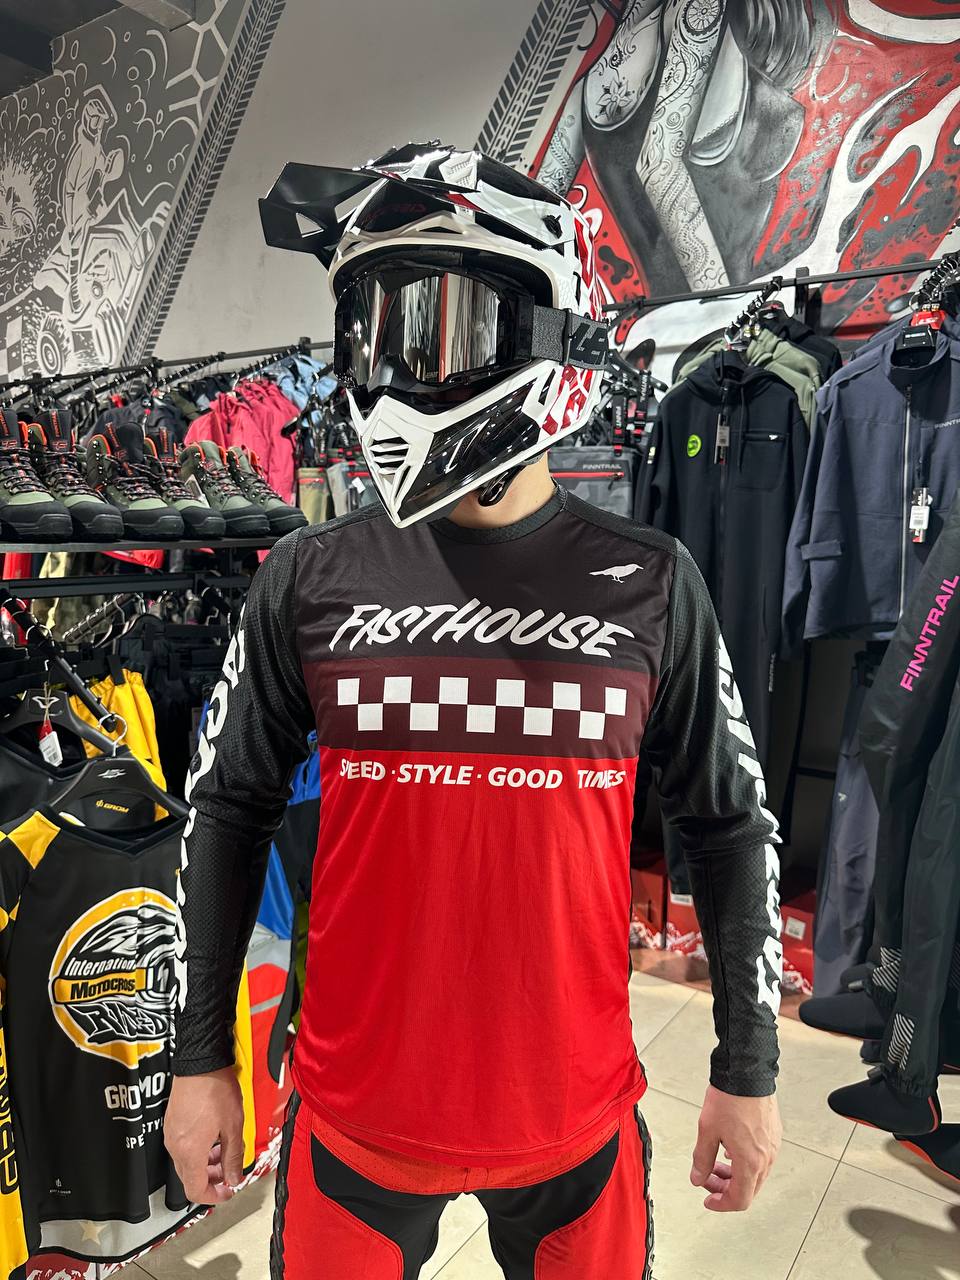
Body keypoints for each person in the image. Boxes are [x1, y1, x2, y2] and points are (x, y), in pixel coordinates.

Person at [164, 143, 783, 1279]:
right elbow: (227, 810)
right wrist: (199, 1059)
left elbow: (729, 825)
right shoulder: (308, 575)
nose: (396, 373)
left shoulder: (650, 582)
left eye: (438, 330)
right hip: (354, 1115)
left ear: (543, 329)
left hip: (573, 1119)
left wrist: (747, 1071)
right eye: (371, 333)